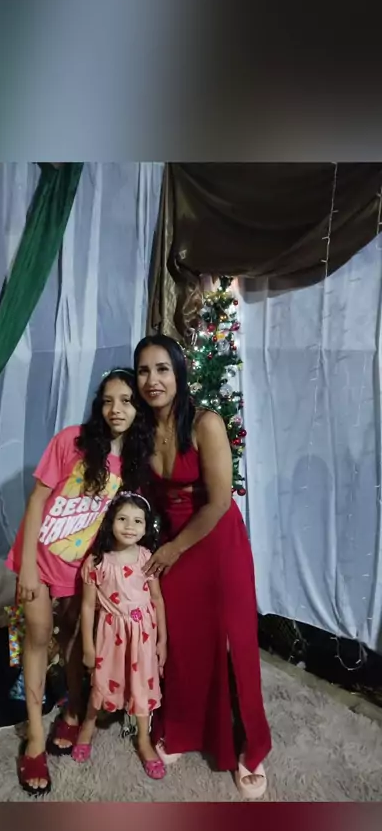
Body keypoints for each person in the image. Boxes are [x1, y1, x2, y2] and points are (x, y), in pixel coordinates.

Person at [134, 334, 271, 799]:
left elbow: (218, 502)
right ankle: (183, 727)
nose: (153, 380)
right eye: (144, 371)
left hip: (216, 539)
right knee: (184, 638)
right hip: (174, 540)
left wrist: (172, 550)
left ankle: (251, 747)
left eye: (162, 369)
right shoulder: (141, 430)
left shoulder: (205, 423)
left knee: (235, 639)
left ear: (179, 372)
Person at [6, 368, 152, 796]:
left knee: (70, 638)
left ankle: (71, 712)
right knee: (37, 634)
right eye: (108, 400)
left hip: (78, 569)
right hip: (37, 558)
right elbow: (37, 501)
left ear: (139, 408)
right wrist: (27, 567)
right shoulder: (71, 441)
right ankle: (35, 736)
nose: (116, 409)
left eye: (126, 400)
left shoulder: (133, 465)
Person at [73, 492, 167, 780]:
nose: (129, 526)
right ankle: (88, 726)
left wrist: (163, 640)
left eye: (138, 521)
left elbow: (157, 599)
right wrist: (88, 647)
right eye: (123, 519)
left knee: (142, 686)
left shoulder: (147, 558)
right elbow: (87, 606)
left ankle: (143, 740)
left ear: (146, 526)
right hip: (111, 634)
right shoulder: (97, 562)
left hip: (143, 636)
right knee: (102, 683)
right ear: (110, 521)